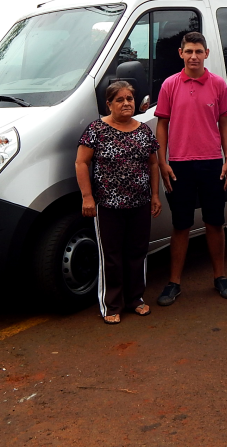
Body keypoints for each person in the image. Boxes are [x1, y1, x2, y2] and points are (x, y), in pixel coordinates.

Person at [154, 31, 227, 305]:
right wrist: (163, 161)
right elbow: (162, 124)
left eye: (198, 51)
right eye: (188, 51)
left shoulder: (218, 84)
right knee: (181, 225)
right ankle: (174, 282)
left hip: (211, 162)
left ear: (206, 54)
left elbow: (224, 122)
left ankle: (220, 276)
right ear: (181, 53)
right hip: (179, 164)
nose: (193, 56)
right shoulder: (170, 85)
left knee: (215, 222)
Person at [75, 81, 162, 325]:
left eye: (129, 99)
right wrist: (87, 197)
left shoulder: (143, 131)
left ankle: (135, 299)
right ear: (109, 104)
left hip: (140, 203)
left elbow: (153, 164)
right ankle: (111, 304)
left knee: (137, 253)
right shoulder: (97, 129)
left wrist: (155, 195)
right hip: (108, 205)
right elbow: (81, 163)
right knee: (111, 256)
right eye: (120, 100)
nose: (126, 103)